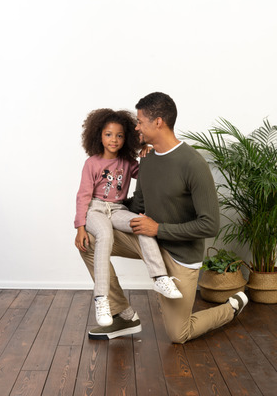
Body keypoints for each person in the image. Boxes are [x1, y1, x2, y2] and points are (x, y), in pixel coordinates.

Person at [77, 93, 248, 343]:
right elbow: (139, 204)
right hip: (150, 241)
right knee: (88, 241)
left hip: (180, 255)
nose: (136, 127)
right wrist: (103, 207)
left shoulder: (193, 164)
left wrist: (158, 229)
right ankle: (123, 315)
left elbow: (210, 225)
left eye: (140, 121)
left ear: (158, 122)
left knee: (179, 334)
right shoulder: (147, 159)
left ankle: (231, 307)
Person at [74, 108, 182, 327]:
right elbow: (83, 196)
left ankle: (160, 278)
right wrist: (80, 227)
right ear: (98, 136)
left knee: (141, 224)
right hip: (95, 209)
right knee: (104, 235)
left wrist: (146, 151)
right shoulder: (92, 163)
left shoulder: (127, 162)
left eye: (120, 135)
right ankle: (101, 298)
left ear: (127, 138)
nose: (114, 139)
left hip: (117, 209)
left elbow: (146, 175)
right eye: (108, 134)